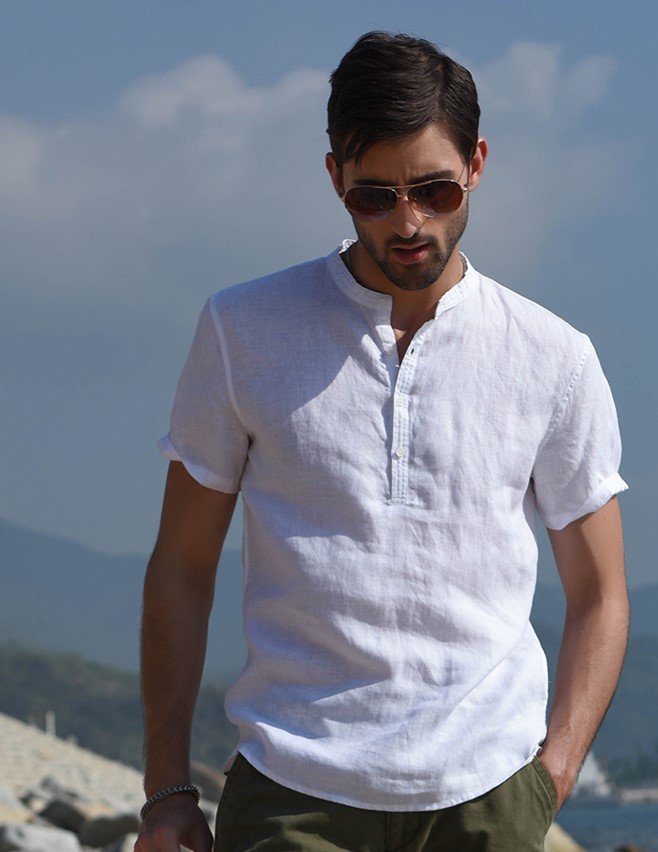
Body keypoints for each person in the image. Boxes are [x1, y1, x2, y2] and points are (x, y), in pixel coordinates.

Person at [135, 31, 630, 852]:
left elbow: (601, 592)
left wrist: (554, 775)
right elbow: (182, 568)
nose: (408, 221)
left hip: (488, 797)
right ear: (335, 178)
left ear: (476, 164)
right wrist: (167, 790)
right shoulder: (242, 329)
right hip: (292, 791)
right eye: (375, 196)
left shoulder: (554, 357)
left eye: (434, 190)